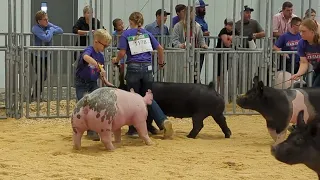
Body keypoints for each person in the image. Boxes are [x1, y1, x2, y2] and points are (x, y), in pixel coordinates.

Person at [112, 12, 173, 138]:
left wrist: (115, 60)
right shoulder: (147, 33)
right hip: (147, 67)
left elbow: (122, 53)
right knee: (148, 98)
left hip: (133, 67)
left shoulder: (126, 34)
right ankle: (163, 121)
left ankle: (133, 130)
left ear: (130, 22)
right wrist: (161, 63)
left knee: (132, 99)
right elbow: (160, 49)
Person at [75, 29, 114, 141]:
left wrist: (105, 81)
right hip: (81, 83)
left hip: (93, 83)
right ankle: (81, 129)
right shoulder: (89, 50)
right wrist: (97, 65)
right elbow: (85, 57)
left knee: (97, 105)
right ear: (96, 41)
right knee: (84, 106)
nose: (105, 48)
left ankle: (93, 130)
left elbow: (99, 73)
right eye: (104, 46)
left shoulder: (101, 56)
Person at [31, 10, 63, 102]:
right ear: (39, 21)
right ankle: (35, 96)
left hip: (45, 56)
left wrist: (50, 29)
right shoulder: (35, 28)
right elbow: (46, 38)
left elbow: (61, 30)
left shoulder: (47, 25)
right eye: (45, 19)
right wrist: (51, 30)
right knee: (42, 74)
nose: (47, 21)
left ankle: (35, 96)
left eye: (47, 19)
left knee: (43, 76)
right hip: (36, 56)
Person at [172, 6, 208, 83]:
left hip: (194, 55)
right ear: (188, 14)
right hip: (182, 56)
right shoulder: (178, 26)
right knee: (183, 76)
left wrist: (203, 45)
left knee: (195, 75)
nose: (195, 14)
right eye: (193, 13)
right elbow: (174, 41)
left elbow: (201, 39)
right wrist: (180, 45)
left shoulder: (197, 26)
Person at [291, 18, 320, 87]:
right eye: (300, 31)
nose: (301, 34)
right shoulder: (301, 43)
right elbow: (304, 62)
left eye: (303, 31)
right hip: (316, 70)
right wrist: (298, 74)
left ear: (312, 32)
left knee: (315, 88)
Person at [112, 18, 126, 87]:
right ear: (115, 27)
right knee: (118, 72)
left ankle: (122, 85)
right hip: (117, 55)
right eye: (119, 25)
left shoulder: (126, 33)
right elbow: (112, 45)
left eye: (122, 24)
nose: (122, 26)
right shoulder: (113, 34)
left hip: (124, 55)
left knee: (123, 72)